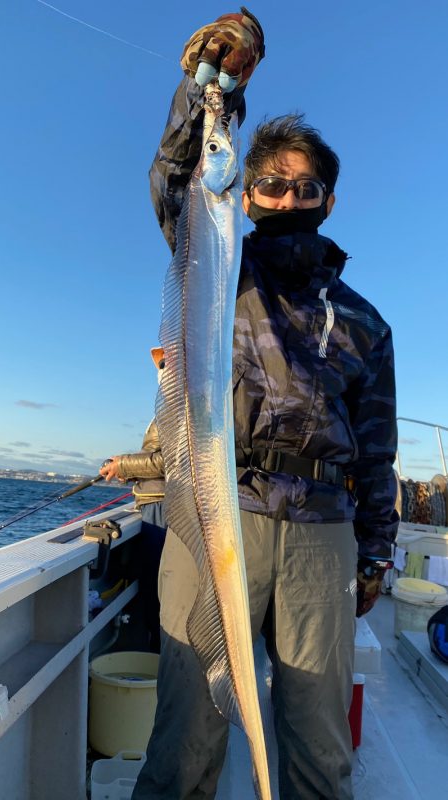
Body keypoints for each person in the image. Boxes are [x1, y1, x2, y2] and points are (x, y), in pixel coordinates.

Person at [133, 9, 398, 800]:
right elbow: (175, 180)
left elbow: (379, 452)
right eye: (271, 184)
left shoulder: (364, 322)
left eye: (305, 186)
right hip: (221, 505)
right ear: (244, 196)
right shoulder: (215, 260)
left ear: (328, 200)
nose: (288, 197)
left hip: (323, 533)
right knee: (186, 734)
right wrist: (209, 95)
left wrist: (378, 551)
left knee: (319, 746)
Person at [100, 347, 166, 653]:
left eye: (165, 361)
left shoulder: (181, 405)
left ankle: (159, 664)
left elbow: (174, 459)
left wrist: (124, 465)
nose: (161, 367)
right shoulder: (169, 404)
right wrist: (125, 468)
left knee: (158, 595)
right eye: (159, 362)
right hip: (155, 504)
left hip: (163, 509)